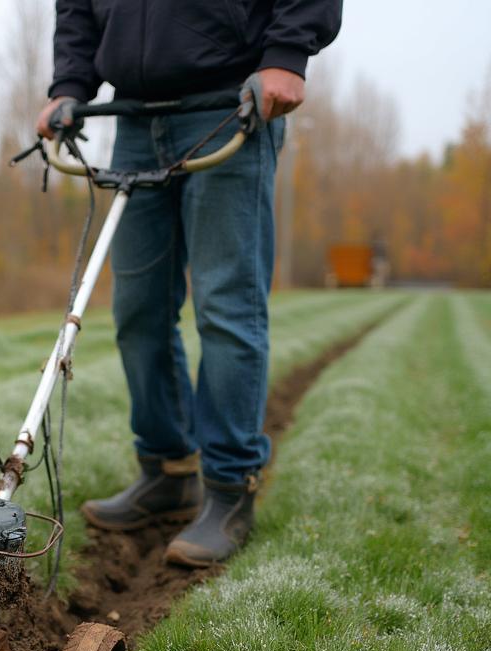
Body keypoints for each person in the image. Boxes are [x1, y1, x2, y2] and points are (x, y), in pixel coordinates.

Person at [36, 1, 341, 566]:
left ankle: (229, 491)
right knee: (138, 312)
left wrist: (286, 54)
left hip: (229, 103)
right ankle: (167, 472)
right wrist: (70, 82)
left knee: (227, 307)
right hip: (132, 118)